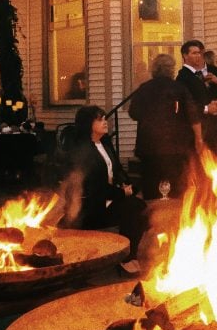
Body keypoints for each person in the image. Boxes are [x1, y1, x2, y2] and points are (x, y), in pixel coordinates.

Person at [62, 105, 147, 262]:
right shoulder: (83, 151)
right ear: (88, 124)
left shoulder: (105, 144)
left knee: (139, 206)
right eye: (99, 119)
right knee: (133, 208)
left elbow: (117, 169)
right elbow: (94, 187)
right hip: (92, 206)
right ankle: (127, 257)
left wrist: (125, 184)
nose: (105, 121)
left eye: (104, 118)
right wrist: (122, 193)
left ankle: (128, 252)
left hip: (108, 197)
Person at [128, 54, 203, 200]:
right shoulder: (179, 88)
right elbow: (193, 115)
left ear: (154, 69)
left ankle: (153, 219)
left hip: (149, 148)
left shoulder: (144, 88)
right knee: (177, 187)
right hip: (176, 148)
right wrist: (199, 139)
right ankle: (174, 219)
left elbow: (134, 113)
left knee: (151, 188)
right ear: (172, 70)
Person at [176, 39, 217, 152]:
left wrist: (214, 103)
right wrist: (206, 108)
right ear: (185, 55)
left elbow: (204, 97)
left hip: (211, 126)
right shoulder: (183, 77)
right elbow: (185, 106)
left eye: (199, 53)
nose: (198, 56)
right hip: (195, 130)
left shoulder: (199, 74)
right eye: (194, 53)